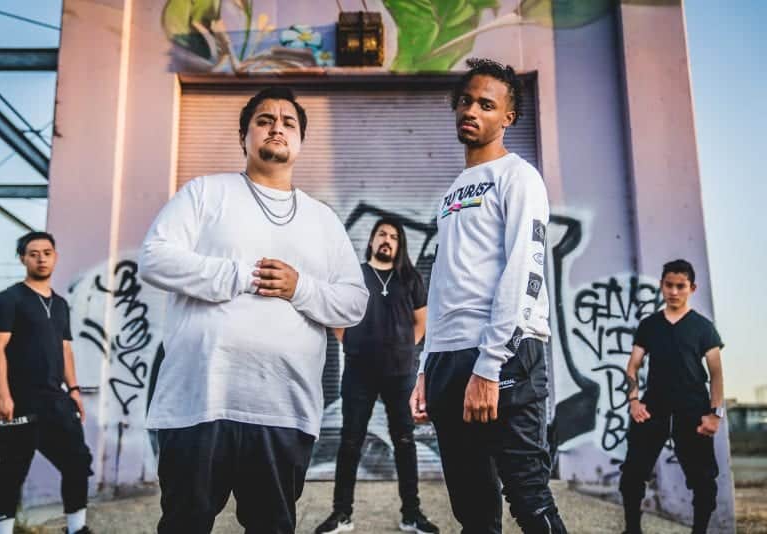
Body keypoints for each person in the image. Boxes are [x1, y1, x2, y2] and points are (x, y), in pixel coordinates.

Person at [139, 86, 369, 534]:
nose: (277, 127)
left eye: (289, 122)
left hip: (282, 408)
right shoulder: (205, 193)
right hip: (198, 403)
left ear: (300, 140)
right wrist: (242, 275)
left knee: (272, 526)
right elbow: (154, 258)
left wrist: (299, 287)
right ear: (244, 135)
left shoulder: (322, 220)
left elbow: (353, 302)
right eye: (265, 120)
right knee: (184, 524)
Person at [408, 58, 567, 533]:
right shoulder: (452, 192)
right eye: (465, 101)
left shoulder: (519, 177)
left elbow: (524, 270)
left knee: (529, 499)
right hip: (448, 359)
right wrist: (426, 367)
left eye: (485, 104)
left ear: (508, 117)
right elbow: (443, 281)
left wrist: (489, 365)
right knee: (473, 511)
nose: (471, 110)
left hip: (503, 356)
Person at [315, 218, 438, 533]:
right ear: (371, 240)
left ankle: (411, 514)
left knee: (405, 442)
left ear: (399, 245)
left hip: (400, 374)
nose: (387, 240)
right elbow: (337, 316)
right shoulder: (355, 276)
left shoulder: (410, 278)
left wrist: (402, 347)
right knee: (350, 442)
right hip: (359, 372)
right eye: (382, 234)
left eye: (394, 237)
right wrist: (352, 342)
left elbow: (421, 321)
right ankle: (342, 514)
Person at [0, 231, 93, 534]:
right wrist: (3, 394)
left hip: (55, 400)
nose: (41, 259)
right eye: (33, 254)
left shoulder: (60, 304)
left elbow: (65, 349)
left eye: (47, 253)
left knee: (77, 461)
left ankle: (76, 529)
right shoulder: (9, 299)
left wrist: (74, 390)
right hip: (19, 399)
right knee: (11, 471)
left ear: (55, 257)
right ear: (23, 258)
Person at [620, 259, 724, 534]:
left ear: (692, 288)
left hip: (693, 410)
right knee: (632, 474)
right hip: (653, 408)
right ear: (661, 285)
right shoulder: (649, 325)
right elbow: (633, 365)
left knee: (704, 481)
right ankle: (632, 530)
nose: (674, 291)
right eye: (669, 285)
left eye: (681, 286)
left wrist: (715, 414)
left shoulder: (703, 328)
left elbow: (716, 374)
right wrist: (633, 401)